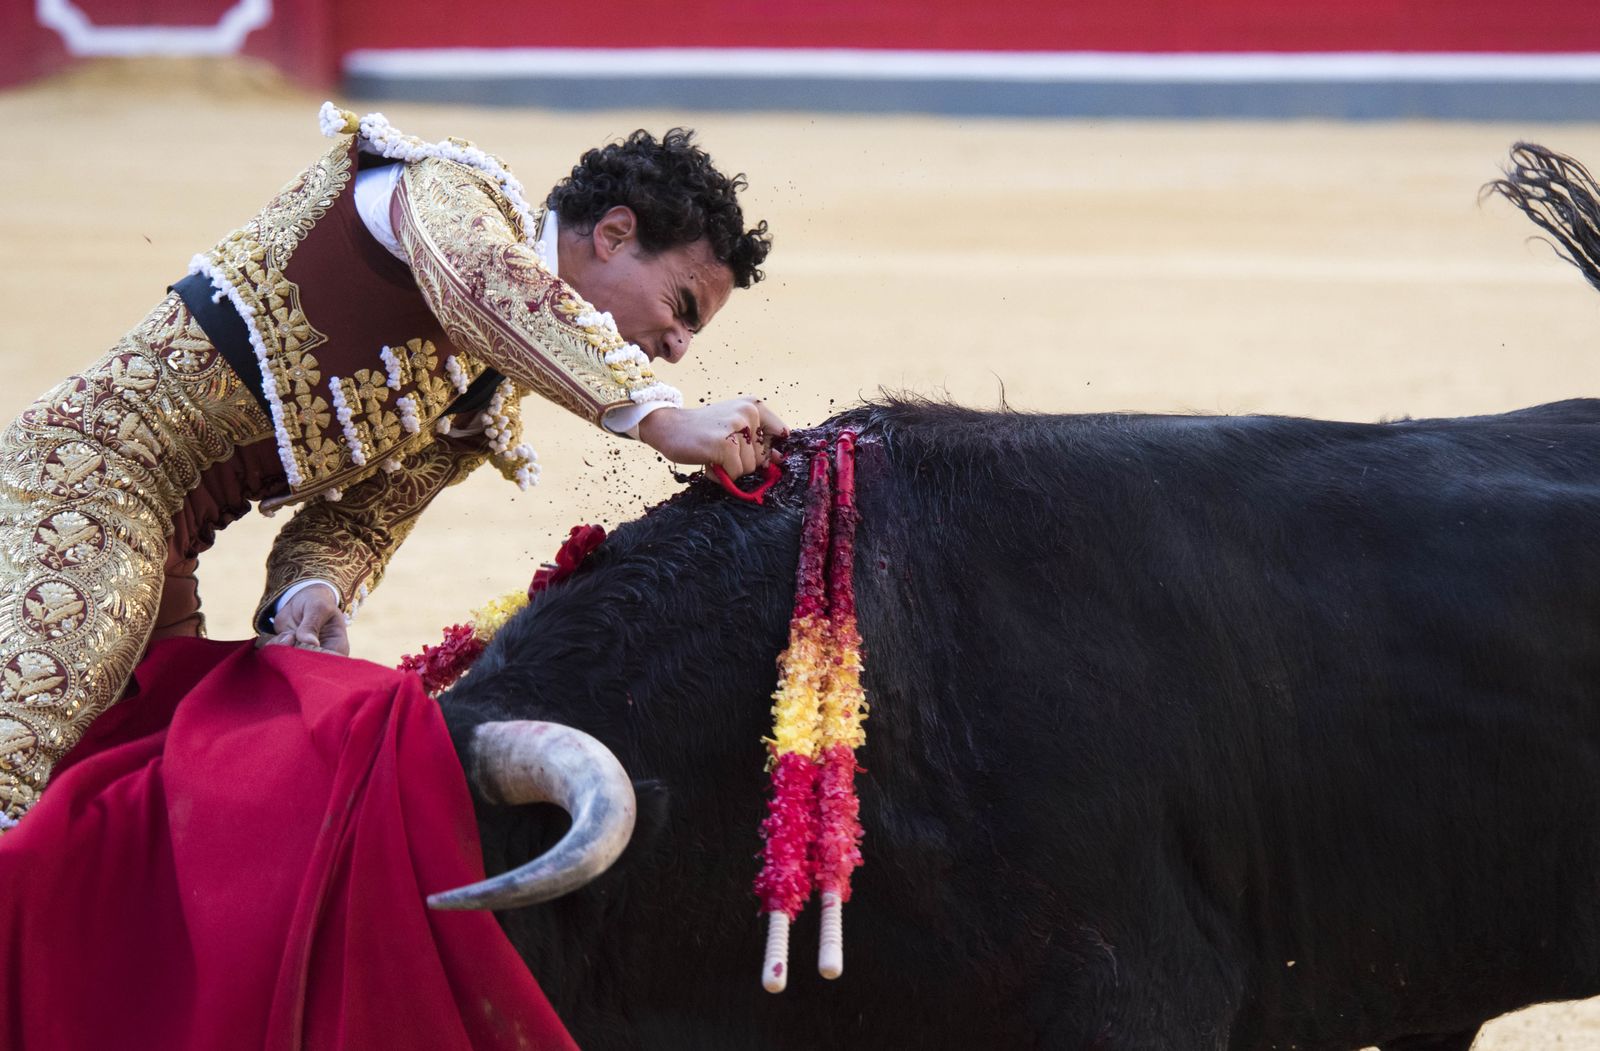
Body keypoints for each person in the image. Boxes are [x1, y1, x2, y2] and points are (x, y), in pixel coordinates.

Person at [0, 102, 787, 826]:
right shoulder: (445, 192)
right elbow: (479, 283)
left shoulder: (485, 400)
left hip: (164, 547)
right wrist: (659, 415)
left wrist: (310, 593)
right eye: (682, 306)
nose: (679, 344)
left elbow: (361, 521)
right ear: (614, 233)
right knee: (22, 750)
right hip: (90, 472)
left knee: (152, 795)